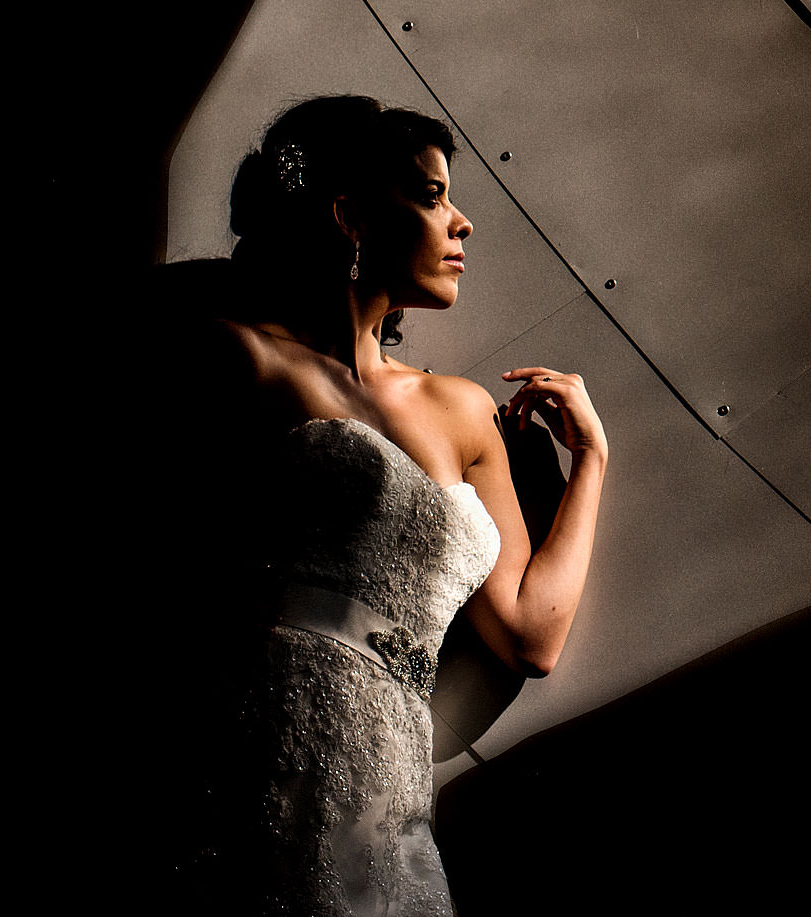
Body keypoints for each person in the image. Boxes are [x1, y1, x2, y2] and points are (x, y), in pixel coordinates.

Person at [163, 93, 609, 915]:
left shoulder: (465, 411)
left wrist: (591, 462)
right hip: (262, 733)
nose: (463, 221)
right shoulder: (240, 359)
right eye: (432, 195)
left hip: (393, 777)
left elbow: (527, 634)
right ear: (351, 216)